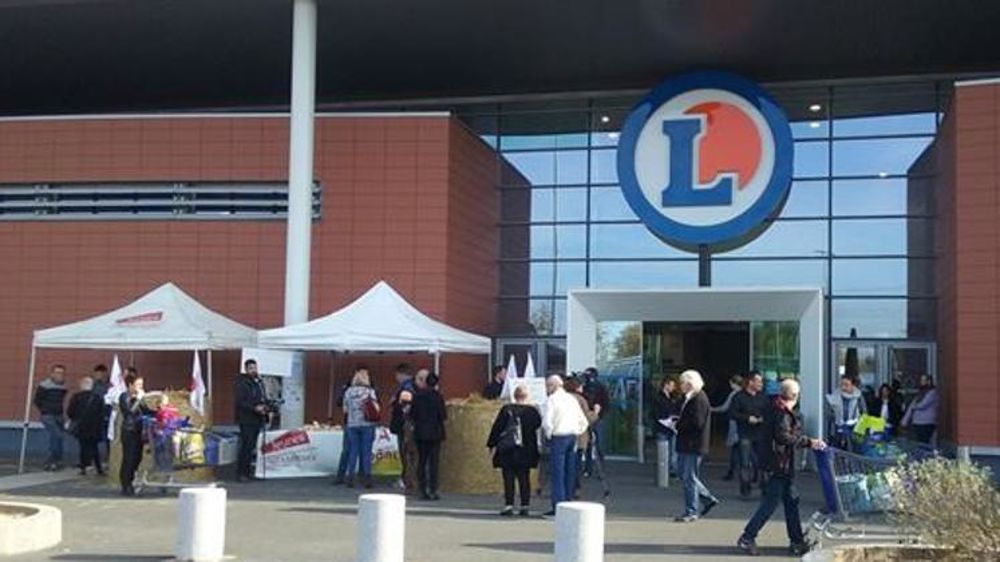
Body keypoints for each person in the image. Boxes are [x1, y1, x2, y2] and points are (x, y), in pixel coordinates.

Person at [737, 378, 826, 557]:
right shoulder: (782, 413)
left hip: (779, 464)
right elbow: (782, 437)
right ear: (794, 395)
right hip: (778, 464)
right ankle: (747, 537)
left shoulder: (775, 408)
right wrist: (809, 442)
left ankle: (797, 541)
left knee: (791, 501)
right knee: (770, 503)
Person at [486, 385, 542, 516]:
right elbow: (538, 425)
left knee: (508, 477)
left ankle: (509, 505)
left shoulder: (506, 409)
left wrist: (491, 444)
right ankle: (525, 505)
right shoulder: (532, 411)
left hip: (508, 448)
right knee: (524, 477)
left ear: (514, 396)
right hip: (526, 448)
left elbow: (497, 427)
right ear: (526, 396)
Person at [673, 369, 720, 523]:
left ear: (690, 383)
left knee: (689, 477)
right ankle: (707, 498)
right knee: (682, 473)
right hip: (687, 443)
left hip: (694, 444)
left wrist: (678, 425)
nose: (680, 386)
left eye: (683, 382)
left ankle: (691, 511)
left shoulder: (699, 399)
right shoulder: (689, 398)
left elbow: (697, 422)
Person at [542, 375, 589, 517]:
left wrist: (549, 434)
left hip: (559, 436)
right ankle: (568, 503)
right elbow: (583, 421)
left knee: (557, 473)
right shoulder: (572, 399)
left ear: (552, 386)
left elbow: (547, 421)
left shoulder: (552, 400)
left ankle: (558, 506)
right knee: (570, 471)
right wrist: (578, 431)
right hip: (572, 436)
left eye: (548, 386)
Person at [731, 371, 769, 498]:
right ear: (750, 382)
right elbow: (733, 414)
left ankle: (764, 487)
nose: (761, 384)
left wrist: (763, 418)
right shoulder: (739, 397)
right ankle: (745, 488)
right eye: (758, 381)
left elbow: (769, 412)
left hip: (761, 433)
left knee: (762, 462)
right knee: (745, 462)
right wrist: (747, 418)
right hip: (745, 433)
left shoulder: (763, 397)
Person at [411, 371, 447, 500]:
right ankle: (433, 489)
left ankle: (422, 488)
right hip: (435, 432)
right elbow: (443, 415)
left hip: (421, 432)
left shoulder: (418, 396)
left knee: (421, 460)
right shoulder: (438, 397)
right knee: (434, 462)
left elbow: (412, 415)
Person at [342, 367, 379, 488]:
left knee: (353, 450)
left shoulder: (348, 392)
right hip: (367, 424)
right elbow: (376, 408)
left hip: (352, 424)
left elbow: (345, 409)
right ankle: (367, 477)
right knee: (366, 451)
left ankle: (350, 476)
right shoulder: (369, 392)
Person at [565, 377, 601, 498]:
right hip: (579, 435)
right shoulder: (580, 400)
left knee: (564, 464)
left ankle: (565, 488)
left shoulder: (563, 397)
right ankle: (574, 488)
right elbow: (586, 418)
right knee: (576, 464)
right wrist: (595, 412)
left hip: (564, 434)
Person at [118, 370, 152, 496]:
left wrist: (160, 411)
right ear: (130, 385)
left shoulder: (140, 399)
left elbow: (146, 411)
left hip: (139, 431)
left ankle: (133, 481)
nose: (140, 388)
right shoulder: (124, 397)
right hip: (129, 431)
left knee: (137, 458)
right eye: (138, 385)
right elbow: (129, 413)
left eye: (141, 385)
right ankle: (125, 484)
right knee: (129, 458)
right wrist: (137, 399)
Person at [234, 359, 267, 482]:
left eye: (255, 368)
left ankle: (248, 472)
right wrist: (254, 408)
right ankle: (241, 473)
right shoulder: (242, 383)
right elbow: (241, 401)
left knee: (252, 446)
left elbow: (261, 397)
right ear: (246, 369)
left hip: (257, 418)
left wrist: (265, 407)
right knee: (246, 446)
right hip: (246, 418)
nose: (254, 370)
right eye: (251, 368)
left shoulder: (257, 382)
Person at [67, 376, 105, 476]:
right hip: (94, 427)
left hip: (81, 426)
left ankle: (83, 467)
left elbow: (70, 412)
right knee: (94, 447)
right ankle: (99, 468)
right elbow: (102, 413)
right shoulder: (97, 398)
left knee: (83, 447)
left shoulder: (76, 397)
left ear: (82, 385)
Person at [33, 364, 68, 471]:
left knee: (59, 437)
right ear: (52, 374)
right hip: (48, 414)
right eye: (57, 373)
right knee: (56, 435)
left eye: (62, 373)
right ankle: (52, 461)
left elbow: (62, 399)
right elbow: (37, 400)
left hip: (59, 414)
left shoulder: (64, 386)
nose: (60, 375)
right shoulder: (44, 385)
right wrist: (44, 410)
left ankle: (57, 460)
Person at [712, 375, 744, 482]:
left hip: (735, 424)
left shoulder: (734, 394)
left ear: (733, 383)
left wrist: (711, 409)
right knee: (743, 450)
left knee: (736, 449)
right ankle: (735, 472)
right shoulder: (746, 394)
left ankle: (734, 473)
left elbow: (724, 408)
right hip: (745, 425)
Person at [581, 367, 609, 478]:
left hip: (597, 419)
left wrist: (599, 414)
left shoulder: (601, 388)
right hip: (587, 419)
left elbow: (606, 403)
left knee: (599, 445)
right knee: (588, 444)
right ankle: (589, 469)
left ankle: (600, 470)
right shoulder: (585, 388)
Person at [651, 375, 682, 476]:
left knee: (673, 451)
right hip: (662, 428)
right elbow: (655, 413)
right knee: (664, 451)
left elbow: (677, 410)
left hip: (672, 427)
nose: (673, 388)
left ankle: (672, 470)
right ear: (666, 385)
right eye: (672, 385)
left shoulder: (674, 397)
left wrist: (675, 419)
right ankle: (664, 470)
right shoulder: (657, 397)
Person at [826, 375, 867, 450]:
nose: (843, 387)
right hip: (838, 429)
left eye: (846, 385)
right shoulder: (835, 396)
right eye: (842, 384)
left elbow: (864, 413)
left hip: (854, 429)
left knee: (853, 450)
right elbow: (829, 413)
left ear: (852, 386)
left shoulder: (858, 397)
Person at [391, 389, 420, 494]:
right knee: (413, 459)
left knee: (406, 459)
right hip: (412, 436)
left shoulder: (397, 408)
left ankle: (407, 481)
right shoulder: (413, 409)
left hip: (403, 435)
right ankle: (413, 482)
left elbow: (395, 422)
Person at [902, 374, 938, 444]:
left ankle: (926, 454)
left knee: (924, 441)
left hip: (927, 422)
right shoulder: (920, 393)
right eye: (921, 380)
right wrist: (904, 421)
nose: (922, 382)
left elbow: (922, 405)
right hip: (917, 422)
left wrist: (914, 406)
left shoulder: (932, 392)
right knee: (919, 442)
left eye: (924, 380)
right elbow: (912, 406)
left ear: (929, 381)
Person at [90, 364, 112, 460]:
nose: (96, 376)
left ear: (103, 373)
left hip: (108, 413)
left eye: (98, 374)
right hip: (96, 414)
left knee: (109, 437)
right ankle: (93, 459)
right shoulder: (94, 385)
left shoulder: (110, 385)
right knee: (94, 437)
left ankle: (110, 457)